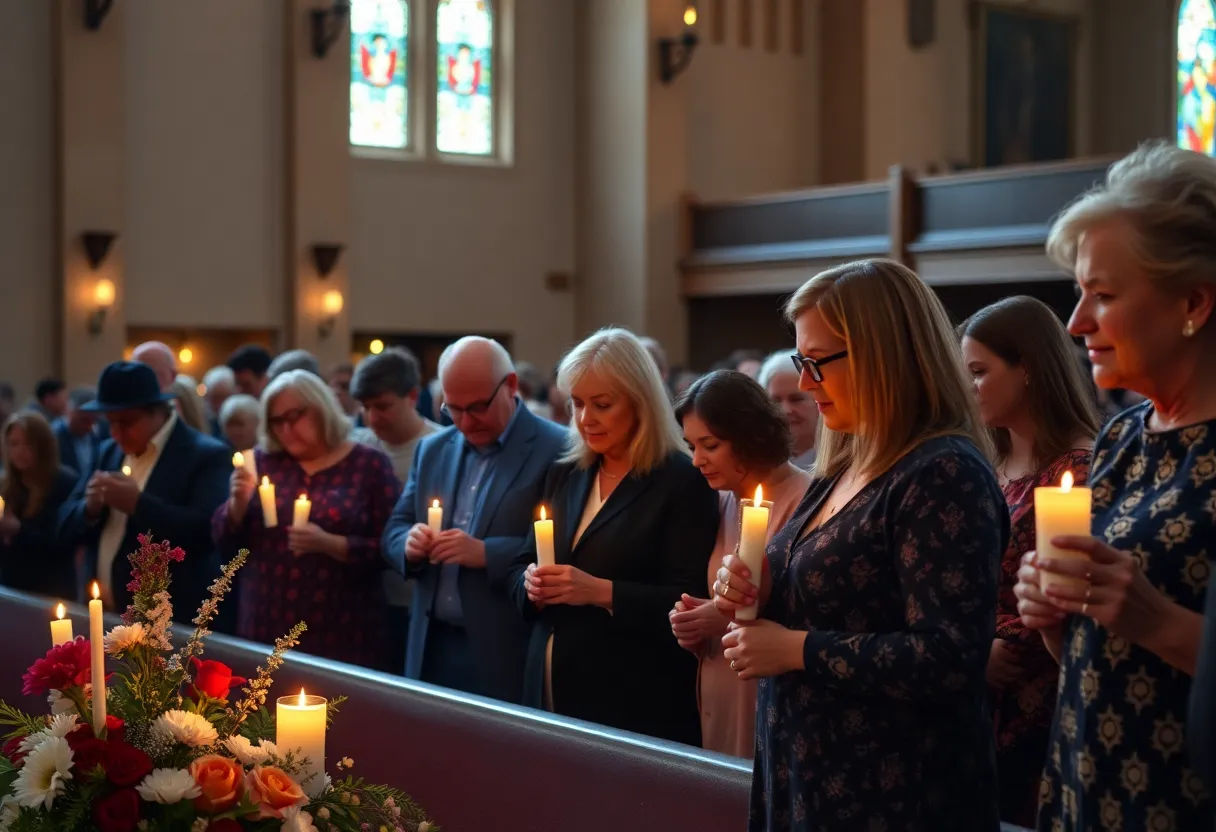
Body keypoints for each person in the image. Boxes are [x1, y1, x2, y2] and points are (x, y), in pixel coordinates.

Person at [714, 259, 1006, 831]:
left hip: (893, 794)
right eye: (802, 360)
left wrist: (798, 649)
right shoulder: (846, 463)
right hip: (809, 774)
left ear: (886, 356)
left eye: (817, 361)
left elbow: (951, 657)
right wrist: (759, 585)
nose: (803, 382)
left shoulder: (942, 472)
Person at [1013, 142, 1216, 830]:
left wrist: (1158, 621)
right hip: (1084, 785)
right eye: (1079, 294)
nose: (1077, 323)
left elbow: (1151, 627)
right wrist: (1052, 615)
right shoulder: (1124, 439)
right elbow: (1090, 652)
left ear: (1193, 300)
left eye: (1102, 295)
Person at [507, 328, 718, 746]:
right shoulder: (566, 472)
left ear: (640, 402)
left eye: (602, 404)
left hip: (631, 695)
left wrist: (600, 591)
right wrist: (529, 584)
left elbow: (687, 599)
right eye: (578, 403)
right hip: (547, 685)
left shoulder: (680, 480)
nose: (586, 418)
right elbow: (520, 562)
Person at [960, 295, 1102, 827]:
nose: (968, 388)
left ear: (1028, 371)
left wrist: (995, 643)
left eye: (979, 372)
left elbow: (1065, 593)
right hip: (975, 693)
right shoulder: (987, 462)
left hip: (1037, 700)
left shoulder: (1080, 469)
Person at [381, 337, 565, 702]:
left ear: (511, 386)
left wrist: (486, 553)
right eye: (454, 409)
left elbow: (563, 547)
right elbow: (394, 529)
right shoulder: (433, 448)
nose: (466, 421)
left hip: (504, 645)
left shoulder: (556, 449)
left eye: (478, 407)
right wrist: (410, 543)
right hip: (430, 641)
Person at [213, 370, 400, 670]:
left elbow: (392, 546)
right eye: (276, 421)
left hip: (345, 628)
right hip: (267, 623)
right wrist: (237, 505)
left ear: (322, 409)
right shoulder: (261, 462)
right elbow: (225, 544)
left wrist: (332, 544)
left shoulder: (368, 464)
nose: (286, 429)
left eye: (295, 416)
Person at [672, 370, 810, 758]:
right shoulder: (722, 500)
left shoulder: (806, 500)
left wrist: (725, 617)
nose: (697, 460)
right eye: (691, 446)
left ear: (750, 435)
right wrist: (693, 625)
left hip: (769, 694)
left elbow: (809, 609)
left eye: (710, 445)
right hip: (721, 684)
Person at [58, 362, 231, 618]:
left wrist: (138, 504)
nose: (116, 433)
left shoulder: (204, 455)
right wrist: (90, 508)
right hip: (104, 616)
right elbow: (62, 525)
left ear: (157, 412)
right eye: (110, 422)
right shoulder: (108, 451)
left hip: (168, 621)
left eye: (126, 422)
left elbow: (206, 533)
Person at [351, 347, 441, 672]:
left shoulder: (441, 447)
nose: (373, 418)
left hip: (417, 600)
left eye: (383, 406)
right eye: (366, 407)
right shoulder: (359, 448)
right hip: (370, 600)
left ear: (412, 396)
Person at [0, 412, 79, 599]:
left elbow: (64, 544)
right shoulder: (6, 486)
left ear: (43, 446)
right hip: (12, 587)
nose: (20, 451)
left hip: (52, 587)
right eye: (14, 444)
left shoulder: (64, 483)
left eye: (28, 444)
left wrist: (18, 530)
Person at [756, 352, 819, 469]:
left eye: (796, 399)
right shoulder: (752, 465)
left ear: (819, 401)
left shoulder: (846, 463)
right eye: (775, 401)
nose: (785, 410)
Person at [52, 387, 102, 483]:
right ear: (69, 412)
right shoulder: (54, 437)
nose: (89, 427)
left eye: (93, 421)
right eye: (84, 420)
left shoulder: (97, 436)